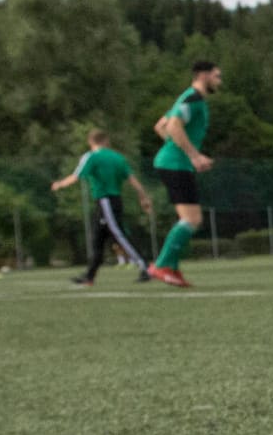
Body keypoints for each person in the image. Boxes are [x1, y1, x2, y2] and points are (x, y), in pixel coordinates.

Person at [148, 61, 221, 287]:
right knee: (192, 219)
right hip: (176, 165)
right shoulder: (193, 99)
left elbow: (161, 126)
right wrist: (193, 155)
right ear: (203, 75)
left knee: (188, 219)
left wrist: (179, 150)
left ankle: (172, 268)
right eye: (216, 76)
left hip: (174, 162)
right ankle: (161, 265)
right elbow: (172, 127)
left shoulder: (187, 98)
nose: (219, 81)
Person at [52, 130, 153, 286]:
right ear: (106, 141)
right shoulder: (118, 157)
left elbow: (76, 176)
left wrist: (59, 184)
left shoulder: (92, 156)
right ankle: (90, 275)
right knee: (97, 239)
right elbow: (132, 180)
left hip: (105, 200)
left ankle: (146, 266)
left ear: (91, 142)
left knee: (119, 235)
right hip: (113, 201)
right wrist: (143, 197)